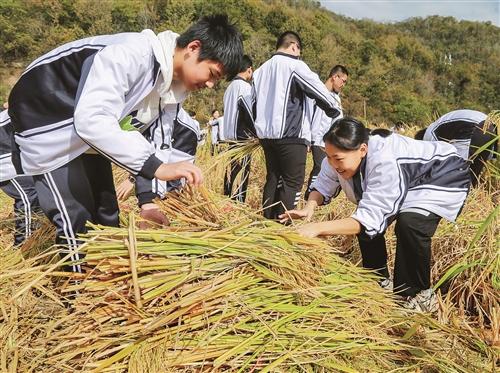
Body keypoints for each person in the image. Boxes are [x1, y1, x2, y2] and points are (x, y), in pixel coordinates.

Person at [7, 14, 243, 271]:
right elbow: (91, 120)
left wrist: (147, 201)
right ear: (193, 48)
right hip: (49, 130)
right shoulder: (132, 55)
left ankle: (104, 280)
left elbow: (144, 140)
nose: (210, 85)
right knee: (77, 221)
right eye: (212, 74)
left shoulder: (166, 86)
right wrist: (158, 169)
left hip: (85, 139)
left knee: (106, 213)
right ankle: (78, 297)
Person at [280, 117, 471, 312]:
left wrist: (317, 228)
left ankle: (416, 295)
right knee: (363, 214)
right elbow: (323, 183)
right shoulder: (339, 153)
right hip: (409, 177)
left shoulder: (383, 160)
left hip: (441, 174)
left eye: (337, 159)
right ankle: (377, 280)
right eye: (328, 157)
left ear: (362, 149)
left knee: (410, 224)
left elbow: (368, 219)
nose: (332, 163)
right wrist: (309, 207)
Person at [252, 31, 342, 220]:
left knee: (273, 178)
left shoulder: (260, 71)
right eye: (298, 50)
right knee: (292, 182)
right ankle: (282, 228)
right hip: (291, 135)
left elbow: (253, 105)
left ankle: (266, 223)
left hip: (266, 137)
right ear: (294, 46)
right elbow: (321, 92)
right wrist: (334, 109)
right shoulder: (295, 66)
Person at [116, 104, 201, 228]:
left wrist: (147, 200)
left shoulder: (161, 107)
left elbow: (153, 151)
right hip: (162, 141)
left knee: (174, 194)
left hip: (181, 141)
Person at [415, 109, 497, 187]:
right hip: (492, 127)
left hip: (473, 126)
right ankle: (470, 192)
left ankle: (458, 195)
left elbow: (431, 161)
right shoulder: (438, 126)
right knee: (476, 168)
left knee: (457, 170)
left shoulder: (429, 133)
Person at [306, 65, 348, 198]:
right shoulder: (319, 92)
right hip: (318, 139)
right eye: (343, 81)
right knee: (319, 168)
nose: (343, 85)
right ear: (335, 77)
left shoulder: (336, 97)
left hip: (329, 141)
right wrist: (310, 138)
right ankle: (310, 195)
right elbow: (312, 117)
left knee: (322, 168)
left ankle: (314, 195)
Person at [0, 109, 41, 246]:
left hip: (14, 156)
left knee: (34, 194)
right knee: (28, 196)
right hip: (5, 160)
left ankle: (36, 235)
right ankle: (25, 244)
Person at [222, 55, 255, 202]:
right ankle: (237, 204)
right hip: (242, 139)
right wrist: (257, 133)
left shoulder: (229, 88)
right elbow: (248, 112)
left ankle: (227, 200)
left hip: (229, 138)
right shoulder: (244, 87)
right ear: (249, 69)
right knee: (240, 175)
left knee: (230, 172)